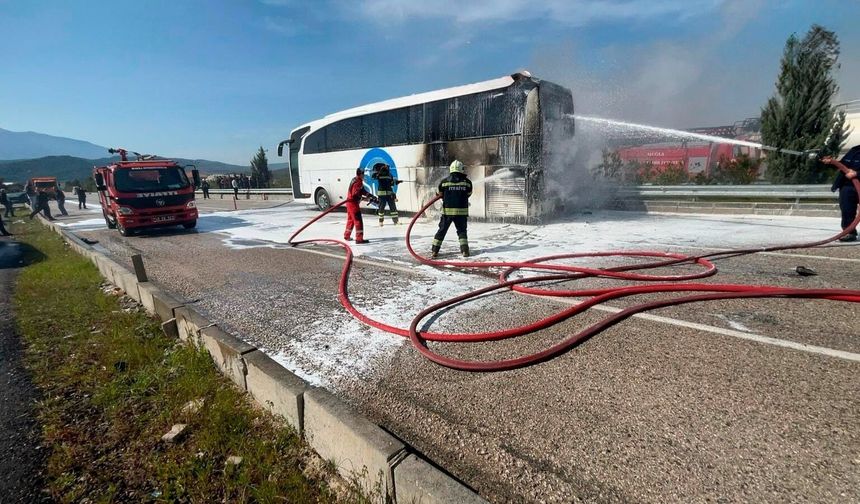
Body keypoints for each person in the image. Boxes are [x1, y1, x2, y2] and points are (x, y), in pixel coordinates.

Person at [431, 160, 473, 258]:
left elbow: (439, 194)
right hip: (461, 213)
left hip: (447, 213)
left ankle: (434, 251)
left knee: (442, 231)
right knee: (462, 232)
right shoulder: (467, 183)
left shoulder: (444, 182)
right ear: (461, 169)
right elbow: (469, 194)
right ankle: (465, 251)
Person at [823, 145, 860, 242]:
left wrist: (857, 174)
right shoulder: (854, 150)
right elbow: (842, 165)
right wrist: (831, 162)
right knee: (847, 210)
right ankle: (849, 232)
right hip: (847, 185)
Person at [344, 167, 377, 244]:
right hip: (353, 204)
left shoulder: (357, 180)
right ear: (360, 174)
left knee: (351, 220)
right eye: (363, 174)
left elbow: (362, 191)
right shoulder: (357, 182)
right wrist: (365, 199)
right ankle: (359, 239)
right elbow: (355, 194)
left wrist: (370, 195)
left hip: (350, 203)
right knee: (358, 221)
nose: (364, 175)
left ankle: (347, 235)